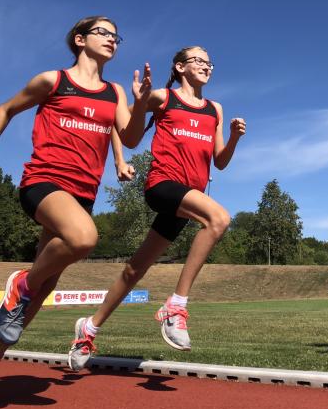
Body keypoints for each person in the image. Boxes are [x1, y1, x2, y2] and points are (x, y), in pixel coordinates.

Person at [0, 16, 152, 405]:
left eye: (117, 36)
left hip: (83, 194)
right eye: (103, 33)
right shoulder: (53, 80)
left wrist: (142, 102)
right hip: (43, 182)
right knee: (83, 238)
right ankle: (20, 285)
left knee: (44, 287)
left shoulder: (114, 92)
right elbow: (5, 109)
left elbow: (130, 138)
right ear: (80, 39)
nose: (112, 39)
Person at [67, 45, 246, 371]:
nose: (206, 66)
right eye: (199, 60)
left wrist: (233, 138)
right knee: (219, 219)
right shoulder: (164, 97)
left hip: (189, 197)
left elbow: (220, 162)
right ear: (180, 67)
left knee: (135, 269)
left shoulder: (215, 110)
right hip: (162, 186)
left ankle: (89, 328)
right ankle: (176, 306)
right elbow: (122, 127)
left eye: (210, 62)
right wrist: (135, 113)